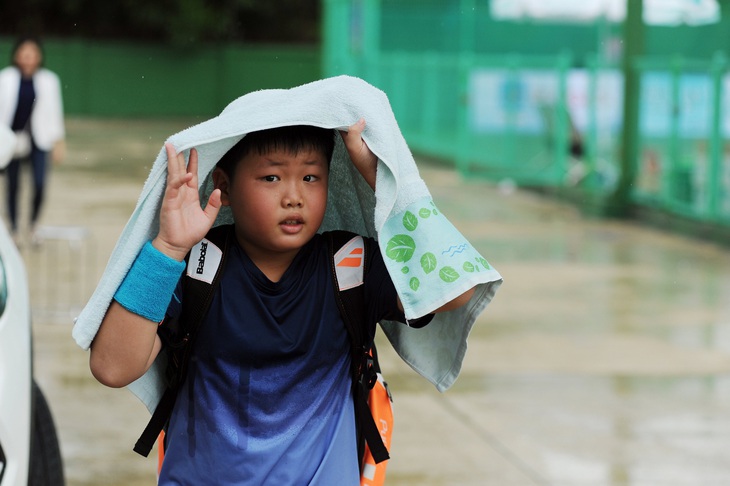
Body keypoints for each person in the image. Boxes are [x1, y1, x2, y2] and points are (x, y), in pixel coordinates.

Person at [88, 119, 476, 484]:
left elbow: (456, 289)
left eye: (310, 177)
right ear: (224, 186)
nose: (294, 197)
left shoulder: (351, 265)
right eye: (271, 177)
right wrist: (168, 248)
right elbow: (112, 367)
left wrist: (386, 181)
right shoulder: (198, 266)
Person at [0, 36, 65, 245]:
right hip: (11, 140)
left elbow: (55, 111)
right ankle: (14, 230)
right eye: (24, 53)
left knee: (39, 183)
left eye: (32, 53)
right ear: (17, 55)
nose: (28, 57)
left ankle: (33, 225)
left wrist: (59, 142)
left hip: (39, 139)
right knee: (12, 186)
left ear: (39, 56)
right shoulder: (5, 78)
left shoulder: (50, 80)